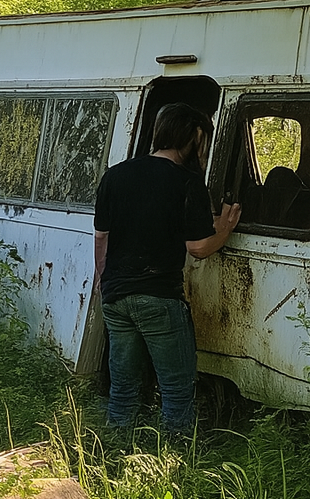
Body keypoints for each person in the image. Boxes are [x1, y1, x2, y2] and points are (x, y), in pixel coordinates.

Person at [93, 103, 241, 433]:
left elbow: (102, 237)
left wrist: (105, 279)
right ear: (193, 137)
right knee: (176, 393)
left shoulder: (115, 175)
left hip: (116, 297)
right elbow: (199, 247)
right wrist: (225, 229)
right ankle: (175, 464)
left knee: (123, 391)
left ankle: (114, 454)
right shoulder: (187, 183)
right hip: (158, 297)